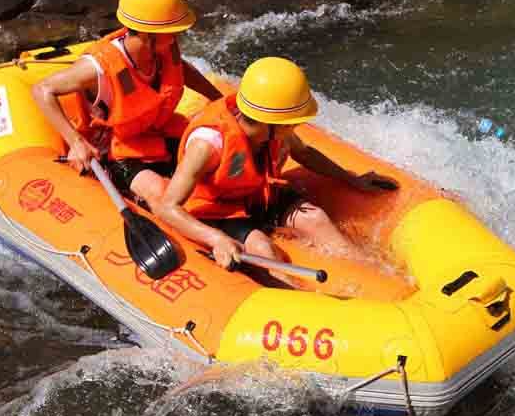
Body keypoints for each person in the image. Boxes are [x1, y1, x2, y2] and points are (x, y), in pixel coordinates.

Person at [143, 56, 398, 278]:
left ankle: (376, 278)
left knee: (316, 219)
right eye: (293, 122)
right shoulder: (208, 144)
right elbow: (167, 207)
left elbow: (304, 153)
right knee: (263, 248)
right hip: (220, 212)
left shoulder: (273, 129)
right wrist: (215, 239)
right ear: (271, 122)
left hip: (259, 195)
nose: (296, 126)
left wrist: (351, 178)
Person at [32, 0, 223, 197]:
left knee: (220, 162)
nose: (179, 35)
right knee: (161, 193)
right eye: (174, 31)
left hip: (158, 133)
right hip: (118, 152)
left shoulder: (163, 47)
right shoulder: (98, 68)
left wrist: (220, 100)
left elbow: (181, 69)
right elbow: (42, 89)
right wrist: (76, 142)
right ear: (147, 34)